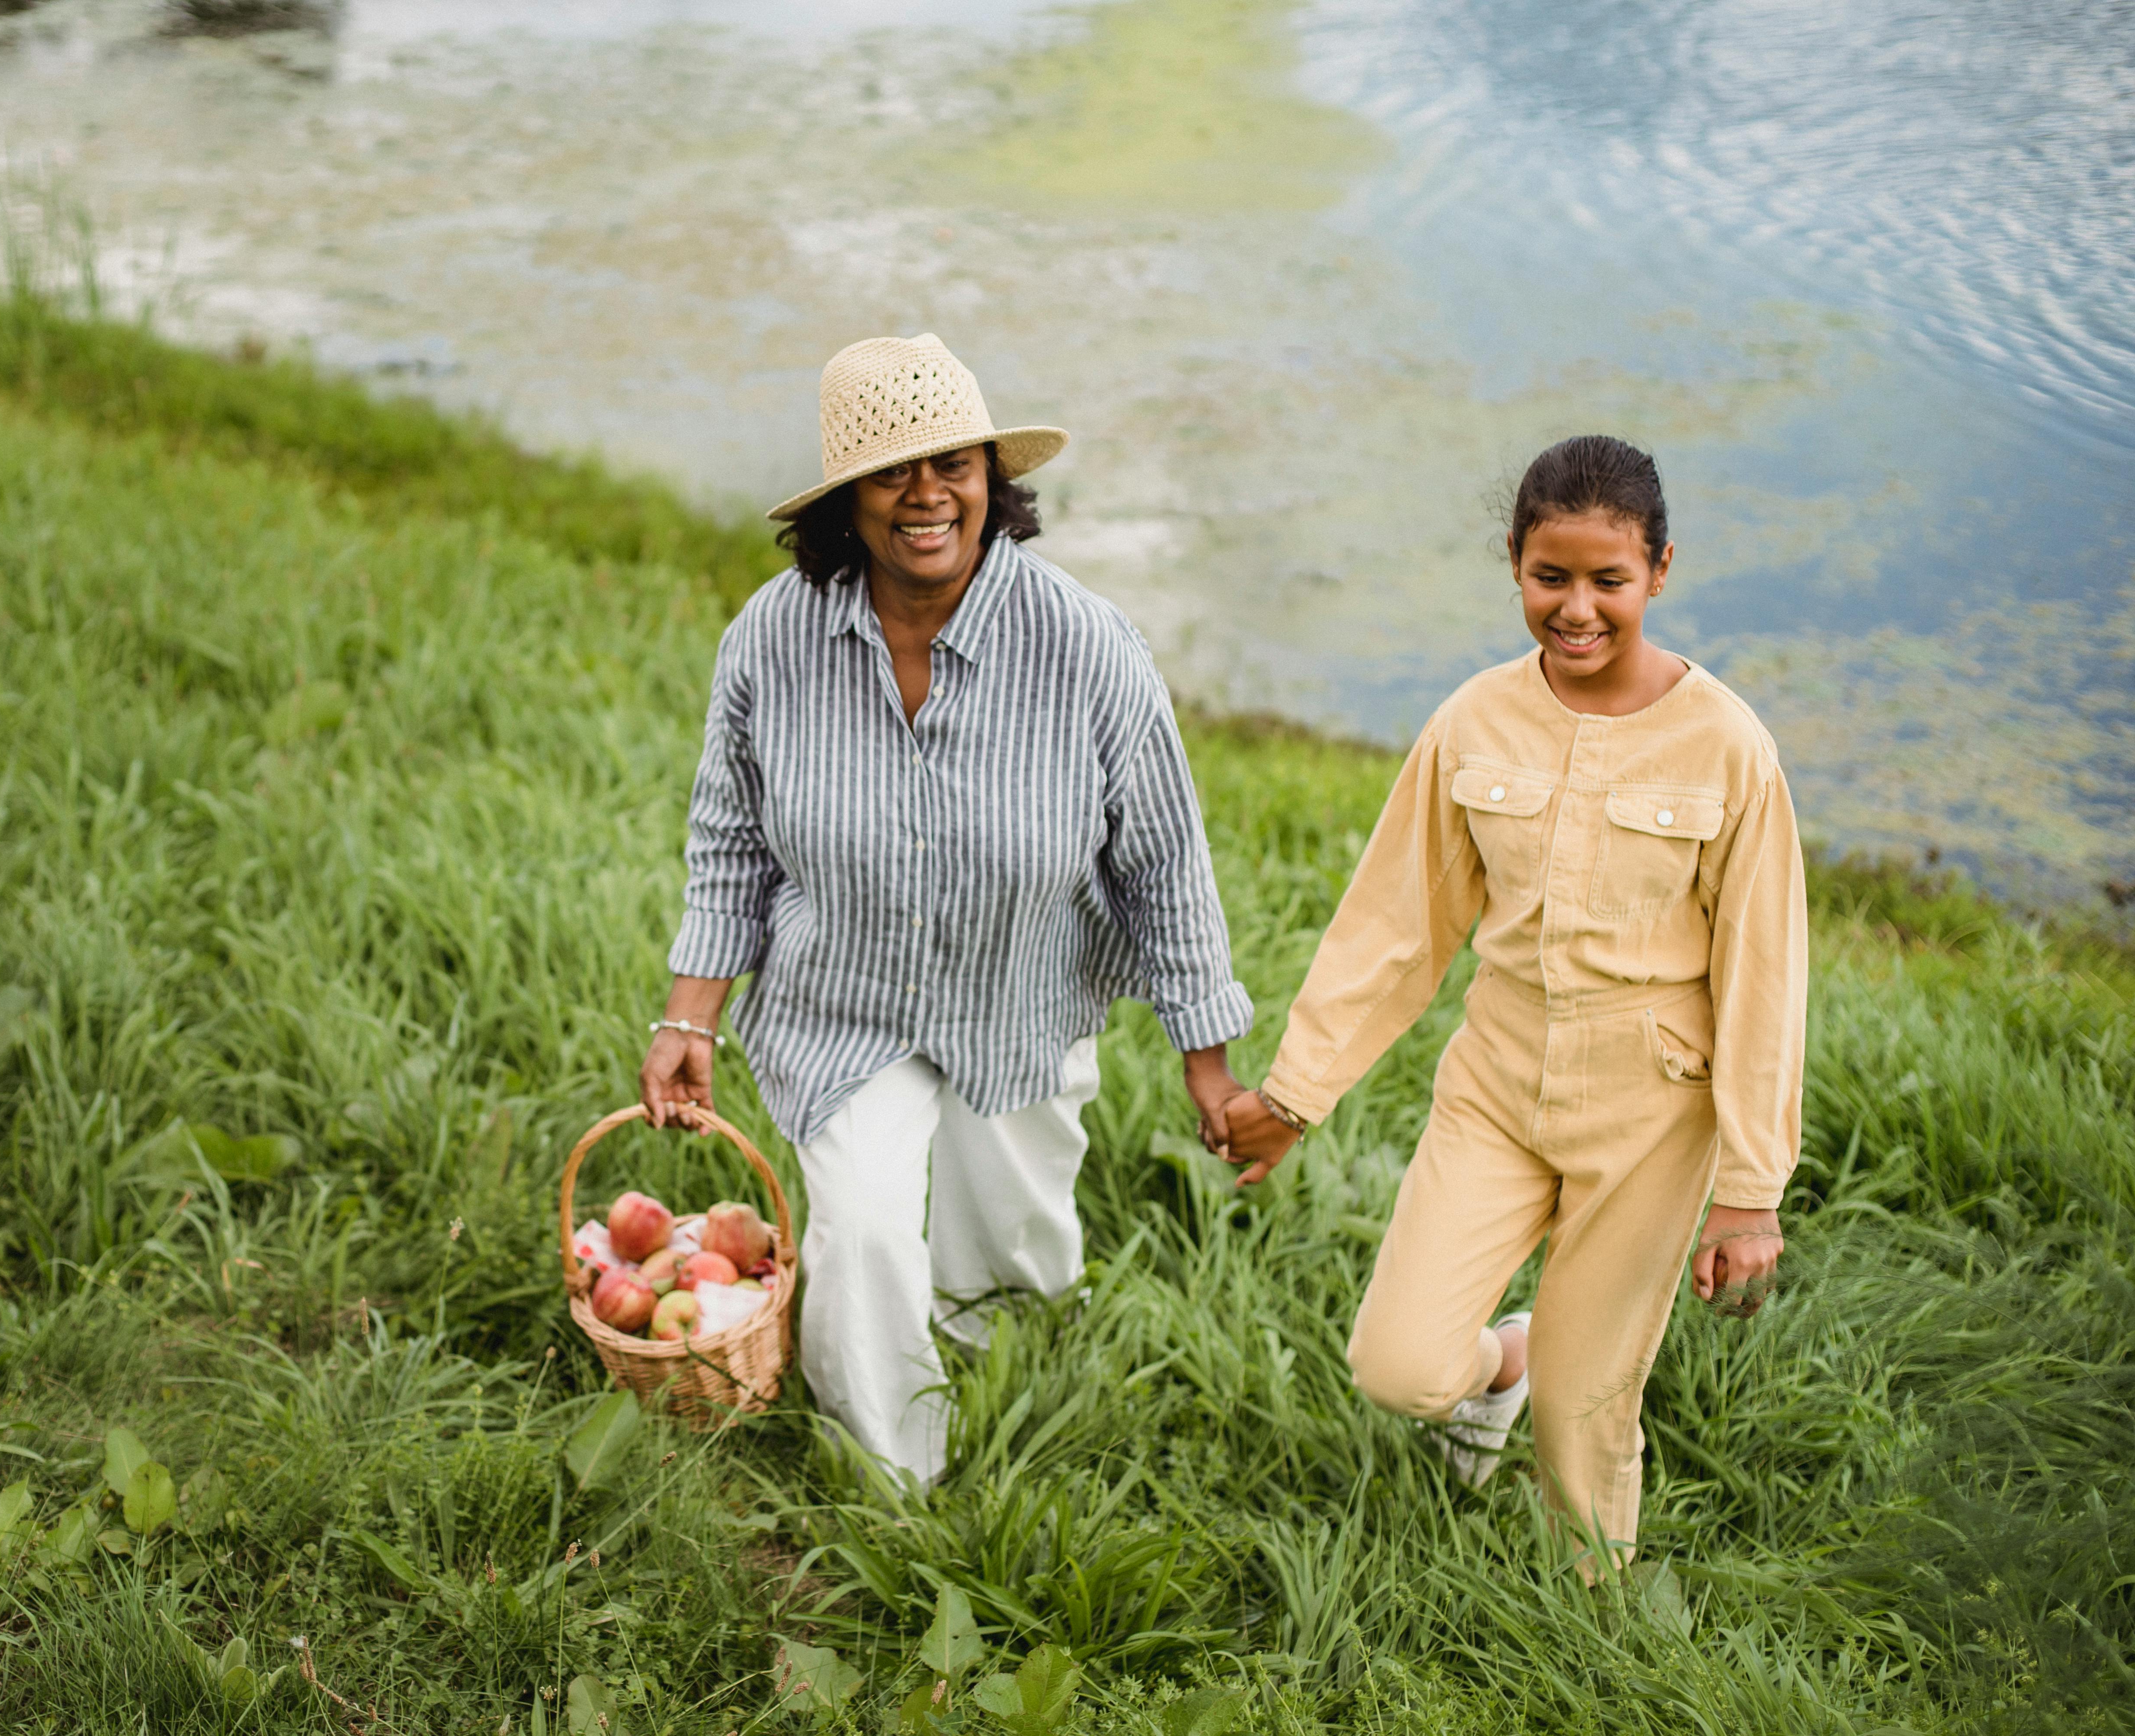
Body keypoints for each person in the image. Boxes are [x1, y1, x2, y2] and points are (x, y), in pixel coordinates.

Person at [641, 333, 1253, 1486]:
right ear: (847, 505)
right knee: (866, 1234)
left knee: (1009, 1264)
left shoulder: (1086, 647)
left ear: (991, 479)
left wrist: (1208, 1063)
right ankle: (895, 1494)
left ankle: (1007, 1395)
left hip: (1021, 1004)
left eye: (954, 466)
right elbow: (730, 843)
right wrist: (688, 1019)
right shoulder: (772, 642)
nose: (928, 496)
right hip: (844, 1005)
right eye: (892, 473)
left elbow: (1167, 864)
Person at [1208, 434, 1806, 1573]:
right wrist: (1297, 1092)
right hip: (1496, 1083)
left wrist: (1749, 1192)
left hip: (1652, 1110)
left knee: (1584, 1421)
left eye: (1609, 581)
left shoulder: (1730, 749)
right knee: (1400, 1366)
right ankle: (1507, 1365)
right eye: (1551, 578)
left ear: (1662, 571)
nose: (1577, 610)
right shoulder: (1471, 723)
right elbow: (1398, 927)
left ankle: (1592, 1630)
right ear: (1516, 568)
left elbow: (1765, 978)